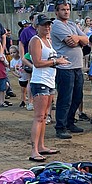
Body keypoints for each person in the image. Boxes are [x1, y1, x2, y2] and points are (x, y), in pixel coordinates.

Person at [28, 13, 67, 161]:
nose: (48, 27)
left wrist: (56, 61)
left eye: (49, 24)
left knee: (44, 116)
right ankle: (34, 150)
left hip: (49, 80)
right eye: (44, 24)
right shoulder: (36, 40)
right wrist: (56, 62)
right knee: (39, 117)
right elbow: (37, 63)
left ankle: (41, 146)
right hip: (40, 81)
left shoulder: (47, 41)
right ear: (37, 26)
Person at [51, 0, 89, 139]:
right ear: (56, 11)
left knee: (77, 97)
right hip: (65, 67)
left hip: (77, 66)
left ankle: (70, 122)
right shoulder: (56, 25)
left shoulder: (72, 24)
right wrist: (79, 39)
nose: (66, 11)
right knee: (65, 98)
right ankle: (60, 127)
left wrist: (78, 38)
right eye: (62, 9)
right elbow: (70, 42)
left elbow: (86, 40)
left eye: (67, 9)